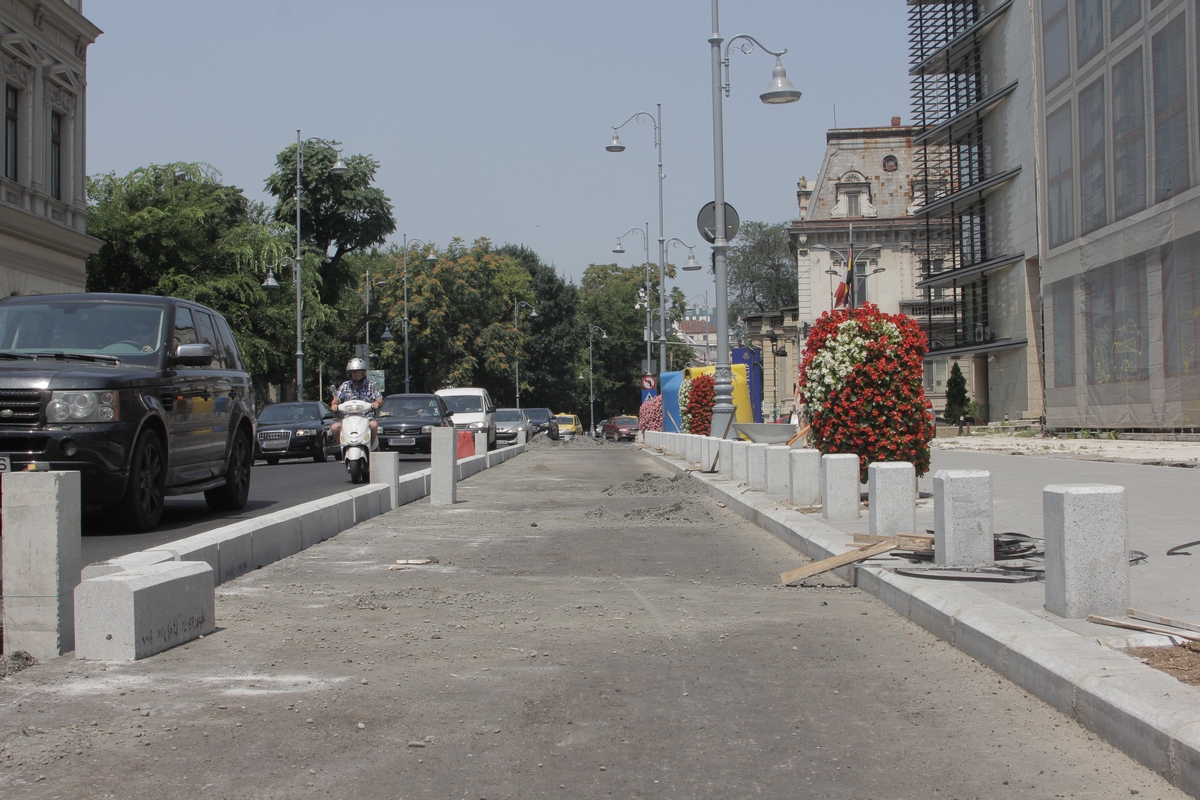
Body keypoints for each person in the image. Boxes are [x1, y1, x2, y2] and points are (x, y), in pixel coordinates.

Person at [330, 358, 382, 447]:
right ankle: (344, 448)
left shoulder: (371, 385)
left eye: (358, 372)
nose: (356, 374)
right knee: (334, 427)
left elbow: (379, 399)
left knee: (374, 425)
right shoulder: (345, 385)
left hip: (366, 417)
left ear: (363, 372)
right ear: (350, 374)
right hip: (347, 418)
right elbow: (337, 398)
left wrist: (376, 403)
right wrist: (334, 404)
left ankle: (371, 446)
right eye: (353, 372)